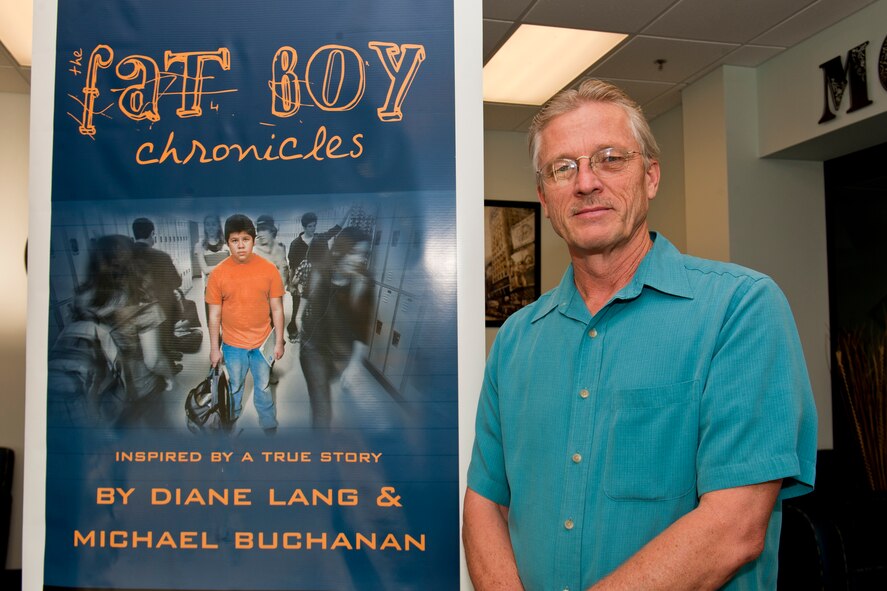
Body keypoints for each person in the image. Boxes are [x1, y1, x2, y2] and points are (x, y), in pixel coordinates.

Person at [463, 79, 818, 591]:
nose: (586, 183)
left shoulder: (740, 309)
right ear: (544, 197)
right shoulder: (517, 339)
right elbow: (486, 503)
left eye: (610, 158)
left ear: (650, 176)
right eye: (564, 168)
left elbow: (733, 528)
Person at [50, 234, 173, 425]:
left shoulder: (83, 298)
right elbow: (153, 360)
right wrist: (169, 376)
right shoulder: (143, 305)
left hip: (104, 388)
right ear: (133, 262)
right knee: (161, 435)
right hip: (141, 388)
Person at [205, 214, 286, 433]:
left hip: (262, 343)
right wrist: (214, 349)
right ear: (227, 242)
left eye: (245, 239)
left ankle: (267, 420)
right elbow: (214, 316)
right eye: (234, 240)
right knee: (235, 386)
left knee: (263, 385)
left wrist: (279, 342)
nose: (241, 245)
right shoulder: (218, 274)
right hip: (233, 345)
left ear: (253, 239)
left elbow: (278, 309)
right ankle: (231, 415)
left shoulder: (269, 270)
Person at [298, 226, 374, 428]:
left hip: (341, 349)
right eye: (355, 252)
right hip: (314, 349)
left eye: (364, 254)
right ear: (341, 250)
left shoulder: (364, 281)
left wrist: (355, 364)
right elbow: (307, 307)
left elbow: (362, 330)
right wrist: (298, 318)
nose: (360, 260)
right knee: (323, 413)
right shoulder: (320, 273)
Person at [286, 208, 351, 342]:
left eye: (314, 225)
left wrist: (348, 212)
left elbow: (336, 229)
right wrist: (292, 286)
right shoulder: (296, 244)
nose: (313, 228)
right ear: (304, 227)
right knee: (296, 309)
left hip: (318, 282)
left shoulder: (320, 238)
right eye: (310, 226)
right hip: (300, 282)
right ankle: (293, 333)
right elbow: (292, 266)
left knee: (315, 311)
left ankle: (311, 335)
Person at [132, 217, 182, 371]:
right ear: (152, 233)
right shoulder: (161, 256)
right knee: (165, 332)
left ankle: (163, 354)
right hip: (161, 306)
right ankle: (170, 365)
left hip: (134, 307)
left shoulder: (126, 256)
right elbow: (176, 282)